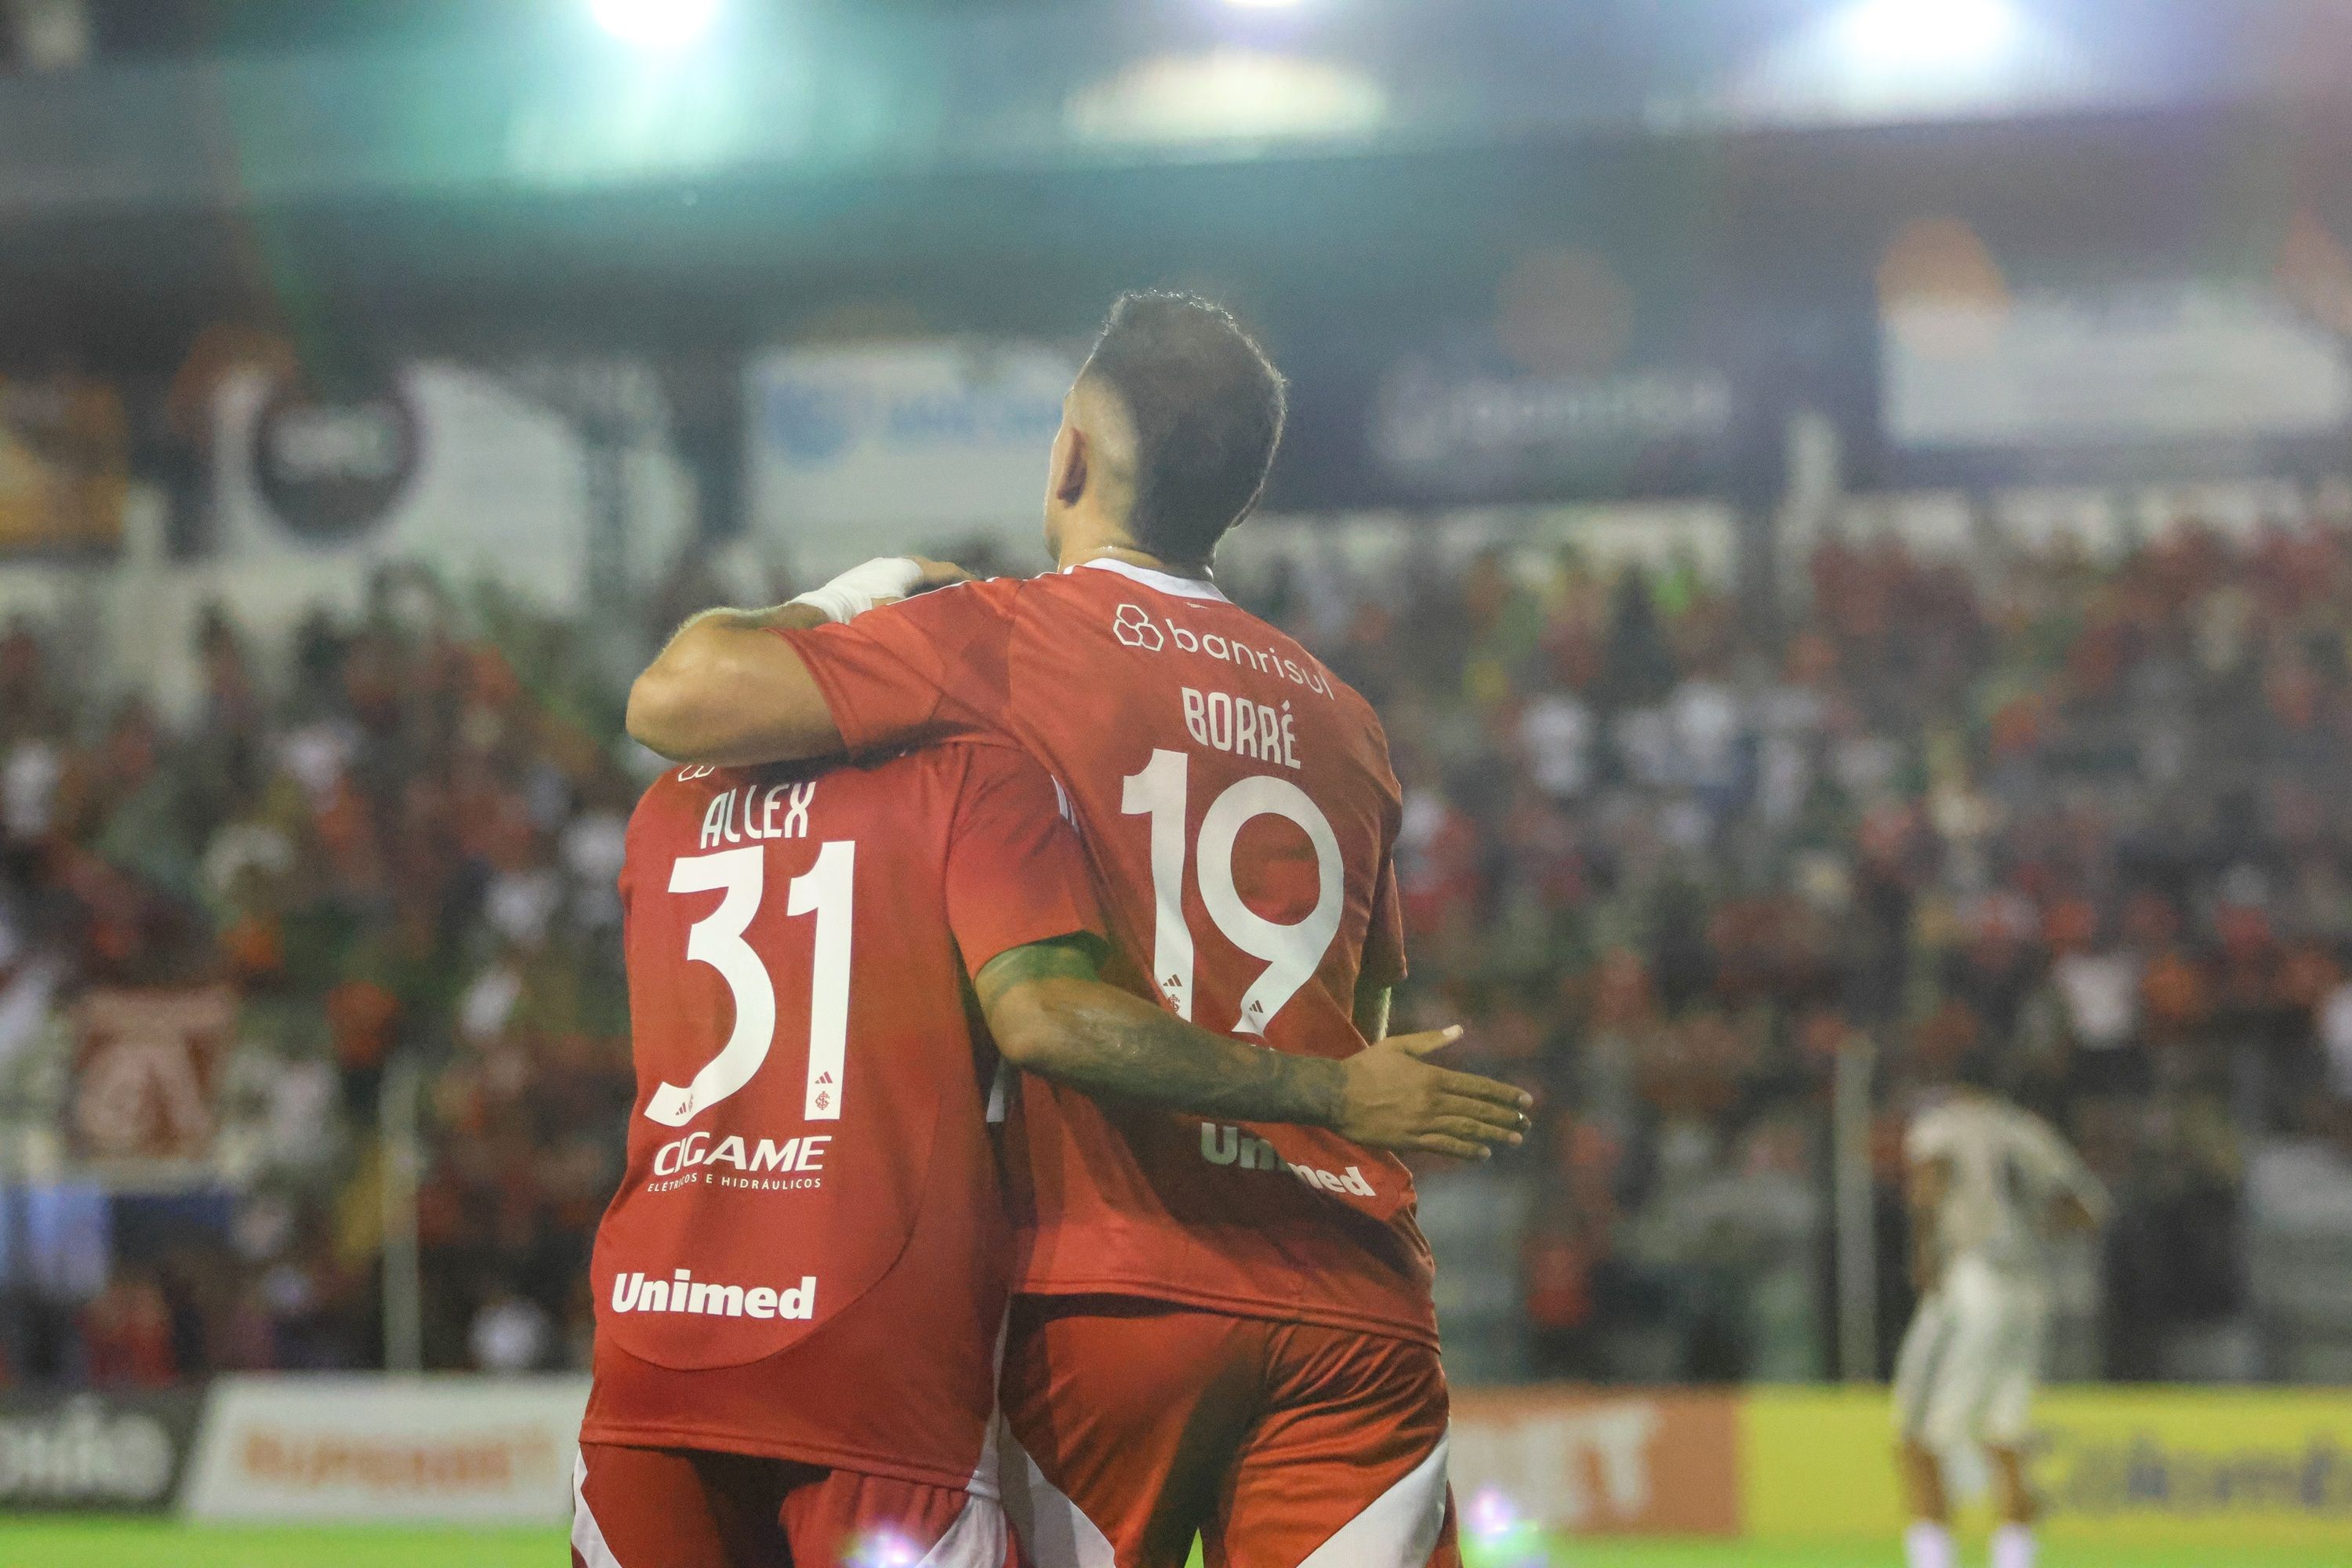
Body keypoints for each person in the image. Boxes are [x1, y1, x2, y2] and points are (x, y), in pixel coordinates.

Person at [628, 292, 1508, 1566]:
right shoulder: (1347, 720)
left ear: (1071, 456)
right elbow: (1357, 1028)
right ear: (1235, 499)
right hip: (1350, 1300)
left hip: (1101, 1283)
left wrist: (861, 589)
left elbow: (677, 697)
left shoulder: (999, 642)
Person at [575, 742, 1526, 1567]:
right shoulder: (971, 780)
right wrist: (1334, 1090)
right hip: (875, 1349)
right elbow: (1040, 1013)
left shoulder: (663, 806)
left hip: (653, 1328)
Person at [1892, 1060, 2109, 1568]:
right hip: (2028, 1288)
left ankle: (1933, 1556)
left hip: (1970, 1280)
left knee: (1918, 1429)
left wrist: (1924, 1254)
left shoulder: (1942, 1125)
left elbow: (1930, 1180)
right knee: (2007, 1430)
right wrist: (2029, 1228)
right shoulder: (2027, 1131)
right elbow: (2086, 1210)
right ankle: (2015, 1557)